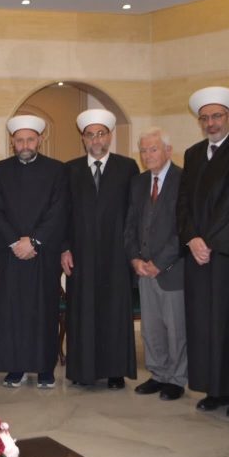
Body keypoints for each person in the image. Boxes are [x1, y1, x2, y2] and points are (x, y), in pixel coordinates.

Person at [177, 87, 229, 411]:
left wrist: (208, 241)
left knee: (225, 322)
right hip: (197, 252)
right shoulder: (193, 153)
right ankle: (210, 387)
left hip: (225, 251)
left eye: (217, 116)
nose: (211, 123)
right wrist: (191, 239)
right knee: (201, 323)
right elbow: (183, 202)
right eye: (205, 118)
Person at [0, 115, 69, 388]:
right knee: (14, 312)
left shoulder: (57, 170)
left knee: (44, 311)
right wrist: (15, 242)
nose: (25, 145)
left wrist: (34, 241)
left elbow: (59, 210)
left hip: (43, 253)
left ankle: (45, 368)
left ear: (40, 140)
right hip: (11, 254)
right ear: (12, 141)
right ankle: (17, 367)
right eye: (20, 140)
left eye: (30, 139)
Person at [61, 109, 139, 389]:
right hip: (81, 253)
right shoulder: (70, 169)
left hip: (116, 253)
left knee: (114, 310)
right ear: (83, 138)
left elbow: (134, 212)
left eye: (101, 134)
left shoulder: (127, 167)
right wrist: (65, 248)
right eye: (90, 135)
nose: (96, 139)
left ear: (110, 136)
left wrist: (133, 252)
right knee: (82, 311)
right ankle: (83, 371)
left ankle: (115, 370)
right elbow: (63, 214)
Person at [124, 128, 187, 401]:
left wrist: (159, 263)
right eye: (143, 150)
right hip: (143, 270)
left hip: (171, 270)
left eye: (153, 149)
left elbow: (184, 228)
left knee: (176, 329)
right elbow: (129, 225)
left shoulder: (184, 180)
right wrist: (135, 258)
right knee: (151, 329)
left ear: (168, 150)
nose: (147, 155)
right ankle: (158, 373)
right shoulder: (138, 183)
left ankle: (177, 379)